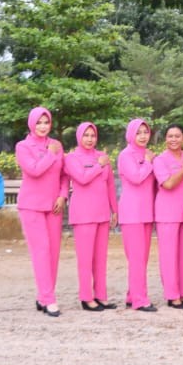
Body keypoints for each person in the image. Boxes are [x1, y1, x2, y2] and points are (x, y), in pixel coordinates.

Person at [15, 107, 67, 317]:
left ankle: (44, 295)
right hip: (32, 206)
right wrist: (49, 154)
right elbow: (34, 170)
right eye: (39, 122)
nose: (43, 126)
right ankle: (48, 299)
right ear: (31, 124)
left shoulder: (56, 145)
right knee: (42, 251)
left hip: (54, 206)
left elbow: (64, 174)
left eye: (46, 122)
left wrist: (63, 195)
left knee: (53, 252)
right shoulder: (23, 146)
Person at [64, 122, 118, 312]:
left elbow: (110, 184)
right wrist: (98, 165)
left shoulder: (102, 157)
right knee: (85, 259)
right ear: (79, 137)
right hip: (83, 214)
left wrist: (115, 210)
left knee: (100, 258)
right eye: (86, 135)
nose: (89, 139)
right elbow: (82, 178)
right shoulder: (71, 158)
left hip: (102, 213)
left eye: (92, 135)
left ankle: (101, 296)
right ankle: (86, 298)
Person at [117, 119, 157, 312]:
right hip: (132, 213)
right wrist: (149, 162)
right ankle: (140, 300)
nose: (142, 136)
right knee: (136, 258)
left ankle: (132, 295)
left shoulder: (148, 154)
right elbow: (136, 177)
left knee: (142, 258)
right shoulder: (126, 155)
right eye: (138, 132)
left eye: (145, 132)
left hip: (146, 213)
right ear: (131, 134)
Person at [153, 125, 183, 308]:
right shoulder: (160, 160)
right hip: (167, 213)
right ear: (165, 139)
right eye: (170, 136)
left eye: (177, 136)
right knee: (169, 255)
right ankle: (172, 295)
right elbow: (168, 184)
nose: (174, 139)